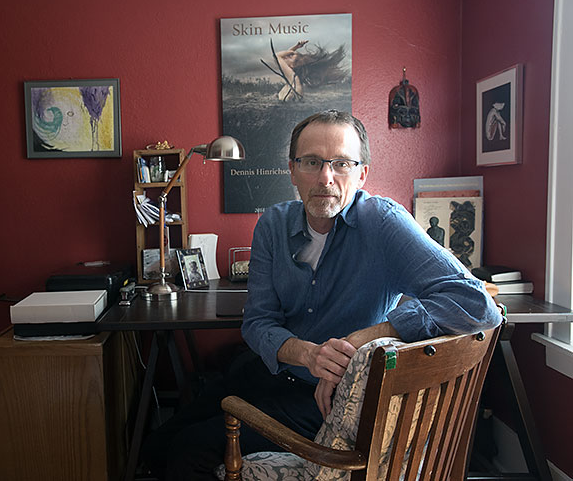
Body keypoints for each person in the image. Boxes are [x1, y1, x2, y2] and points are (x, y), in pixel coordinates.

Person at [140, 110, 502, 481]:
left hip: (326, 400)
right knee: (154, 447)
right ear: (292, 170)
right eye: (312, 162)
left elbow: (479, 305)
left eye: (341, 163)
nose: (325, 178)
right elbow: (258, 322)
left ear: (362, 174)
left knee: (189, 453)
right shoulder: (272, 225)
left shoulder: (383, 222)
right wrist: (308, 354)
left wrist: (361, 340)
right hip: (269, 373)